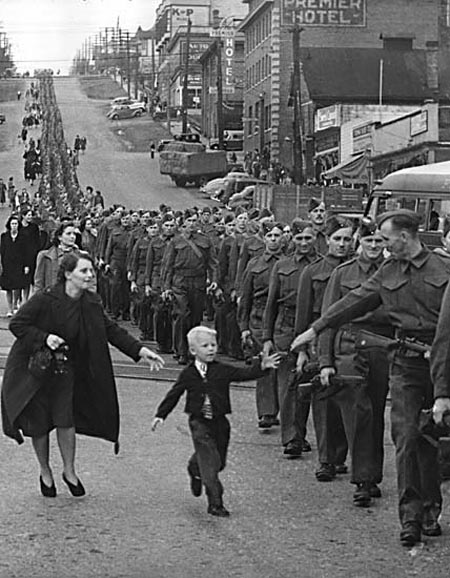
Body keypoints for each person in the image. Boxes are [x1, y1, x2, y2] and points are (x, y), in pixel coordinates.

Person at [291, 209, 450, 547]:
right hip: (406, 363)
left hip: (443, 363)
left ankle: (430, 507)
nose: (382, 242)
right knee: (406, 437)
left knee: (431, 439)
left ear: (404, 237)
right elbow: (354, 300)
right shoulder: (388, 271)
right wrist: (316, 328)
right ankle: (410, 517)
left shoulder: (444, 269)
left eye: (386, 236)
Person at [1, 252, 164, 499]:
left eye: (91, 271)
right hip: (35, 372)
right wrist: (44, 338)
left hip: (65, 371)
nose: (90, 276)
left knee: (66, 420)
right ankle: (45, 472)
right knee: (40, 425)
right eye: (84, 271)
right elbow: (18, 324)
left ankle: (69, 471)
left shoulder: (91, 302)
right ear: (68, 274)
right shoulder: (45, 299)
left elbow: (111, 330)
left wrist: (140, 351)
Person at [151, 326, 280, 517]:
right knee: (210, 464)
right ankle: (215, 503)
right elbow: (174, 394)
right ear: (193, 350)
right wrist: (160, 415)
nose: (211, 349)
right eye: (205, 346)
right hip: (199, 423)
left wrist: (261, 367)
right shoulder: (188, 374)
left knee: (218, 462)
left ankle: (194, 468)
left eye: (213, 345)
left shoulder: (221, 369)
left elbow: (242, 374)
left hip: (220, 422)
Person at [262, 219, 318, 455]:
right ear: (292, 239)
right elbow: (271, 303)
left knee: (309, 385)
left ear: (315, 238)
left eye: (308, 238)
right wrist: (267, 337)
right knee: (288, 385)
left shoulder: (323, 266)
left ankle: (301, 433)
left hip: (315, 328)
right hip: (285, 328)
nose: (304, 242)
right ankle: (292, 438)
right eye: (299, 238)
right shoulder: (282, 266)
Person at [34, 221, 79, 291]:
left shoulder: (80, 256)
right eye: (68, 234)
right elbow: (38, 284)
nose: (72, 237)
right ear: (60, 237)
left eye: (74, 234)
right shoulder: (45, 256)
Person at [0, 215, 30, 316]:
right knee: (8, 287)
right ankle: (9, 309)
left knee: (17, 286)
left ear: (18, 225)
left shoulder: (23, 237)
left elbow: (26, 252)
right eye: (12, 224)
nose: (14, 226)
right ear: (9, 225)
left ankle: (15, 304)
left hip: (19, 264)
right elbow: (2, 251)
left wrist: (26, 265)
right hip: (7, 264)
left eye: (16, 224)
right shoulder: (4, 237)